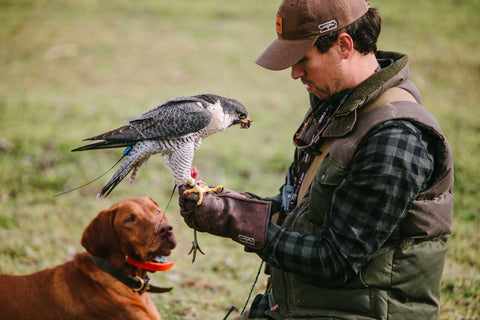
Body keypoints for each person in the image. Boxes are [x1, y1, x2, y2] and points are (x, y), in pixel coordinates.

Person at [179, 0, 454, 319]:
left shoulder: (395, 137)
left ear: (344, 45)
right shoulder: (336, 110)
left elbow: (334, 260)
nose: (294, 73)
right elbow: (302, 216)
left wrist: (238, 222)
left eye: (302, 59)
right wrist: (228, 205)